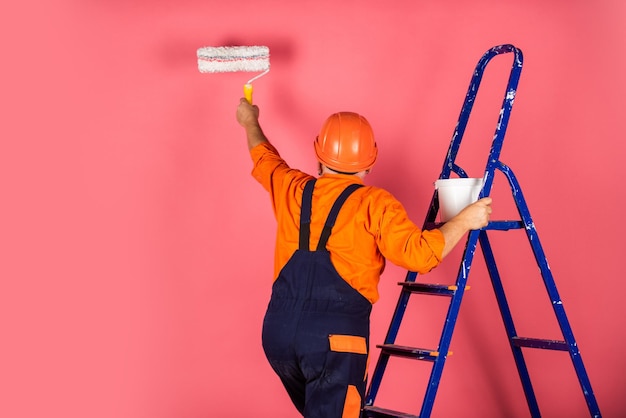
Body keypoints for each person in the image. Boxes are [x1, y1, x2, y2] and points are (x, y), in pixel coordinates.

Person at [236, 98, 492, 418]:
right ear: (369, 163)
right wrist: (465, 220)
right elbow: (422, 255)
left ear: (319, 155)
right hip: (334, 344)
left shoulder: (292, 188)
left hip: (278, 336)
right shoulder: (376, 204)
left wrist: (249, 121)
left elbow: (264, 158)